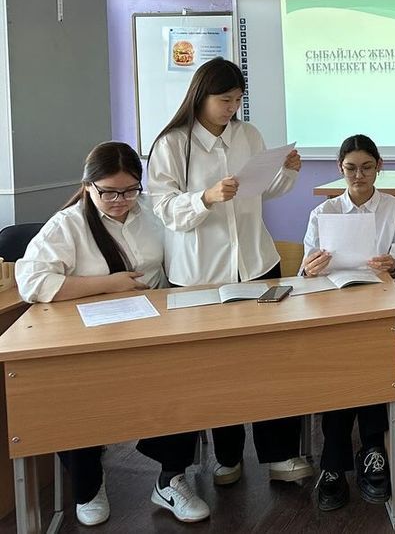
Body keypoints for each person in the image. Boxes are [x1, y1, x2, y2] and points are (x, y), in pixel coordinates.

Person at [16, 142, 209, 525]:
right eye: (109, 192)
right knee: (74, 397)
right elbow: (32, 282)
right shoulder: (67, 225)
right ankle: (88, 485)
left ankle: (170, 479)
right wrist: (108, 284)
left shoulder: (151, 211)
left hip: (152, 328)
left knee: (183, 380)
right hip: (88, 335)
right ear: (88, 185)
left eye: (130, 190)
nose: (120, 201)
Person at [147, 57, 312, 487]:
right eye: (224, 99)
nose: (231, 108)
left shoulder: (248, 134)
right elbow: (163, 209)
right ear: (201, 96)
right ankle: (227, 457)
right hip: (201, 272)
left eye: (237, 100)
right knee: (216, 366)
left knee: (272, 359)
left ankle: (280, 454)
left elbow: (260, 192)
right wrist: (205, 197)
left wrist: (287, 174)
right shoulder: (171, 144)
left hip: (256, 262)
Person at [300, 134, 395, 511]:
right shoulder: (324, 212)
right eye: (351, 168)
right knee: (341, 362)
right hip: (335, 310)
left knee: (363, 357)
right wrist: (310, 269)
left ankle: (352, 455)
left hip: (383, 309)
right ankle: (359, 452)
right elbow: (305, 274)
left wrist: (393, 266)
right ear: (340, 169)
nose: (359, 176)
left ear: (379, 167)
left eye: (366, 167)